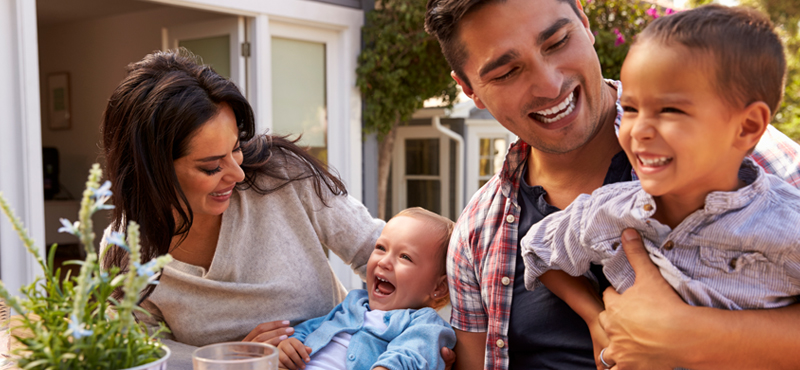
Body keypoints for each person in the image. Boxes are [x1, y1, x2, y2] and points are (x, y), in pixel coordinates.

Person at [423, 0, 800, 369]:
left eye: (556, 43)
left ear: (584, 22)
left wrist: (687, 336)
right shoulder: (476, 231)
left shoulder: (756, 159)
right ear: (469, 89)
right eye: (506, 72)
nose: (549, 85)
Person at [99, 49, 384, 370]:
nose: (237, 173)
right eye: (211, 166)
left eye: (235, 149)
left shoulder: (283, 176)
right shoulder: (126, 250)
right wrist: (232, 359)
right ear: (152, 173)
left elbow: (381, 252)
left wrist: (415, 336)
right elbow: (144, 350)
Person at [277, 207, 456, 370]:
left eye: (405, 257)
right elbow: (312, 328)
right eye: (381, 248)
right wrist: (291, 344)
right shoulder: (353, 304)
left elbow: (412, 354)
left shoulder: (424, 323)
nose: (384, 261)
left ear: (439, 287)